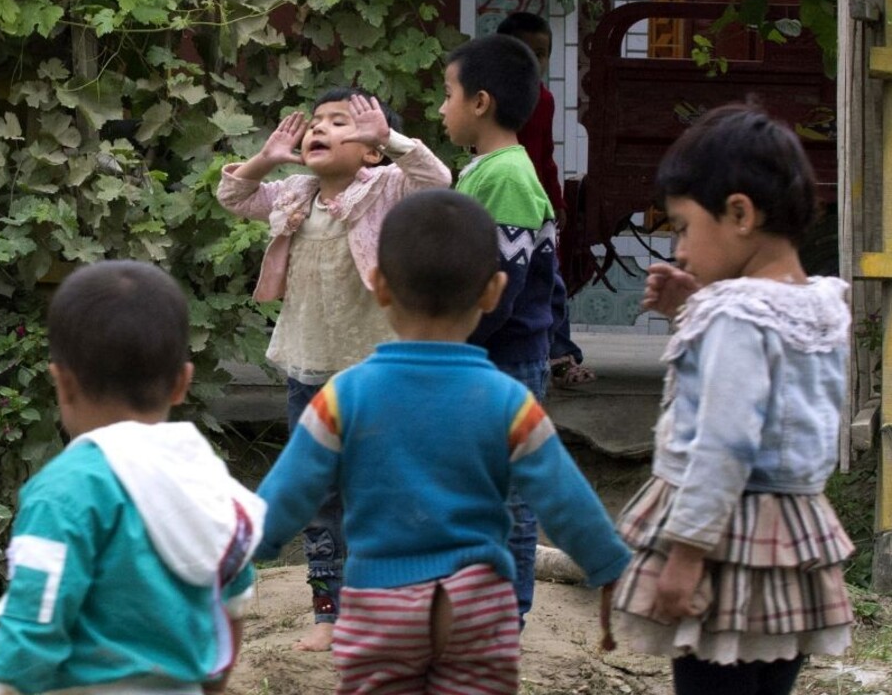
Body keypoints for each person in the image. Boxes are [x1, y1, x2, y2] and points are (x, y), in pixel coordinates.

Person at [254, 189, 630, 694]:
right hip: (478, 606)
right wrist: (610, 565)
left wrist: (245, 549)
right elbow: (565, 499)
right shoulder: (509, 402)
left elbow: (291, 491)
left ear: (379, 286)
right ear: (493, 292)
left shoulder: (343, 397)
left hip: (379, 603)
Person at [612, 104, 855, 695]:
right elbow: (765, 394)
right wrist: (692, 309)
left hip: (725, 547)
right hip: (791, 541)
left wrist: (687, 553)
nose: (680, 250)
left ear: (740, 214)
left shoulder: (735, 316)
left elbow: (726, 440)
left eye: (683, 227)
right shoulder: (819, 305)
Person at [217, 87, 451, 650]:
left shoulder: (386, 187)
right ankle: (329, 614)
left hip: (376, 374)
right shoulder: (295, 193)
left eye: (340, 122)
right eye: (316, 121)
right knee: (319, 494)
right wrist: (266, 157)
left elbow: (437, 180)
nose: (319, 128)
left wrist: (391, 140)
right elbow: (233, 194)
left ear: (370, 149)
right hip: (309, 369)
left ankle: (389, 605)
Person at [0, 260, 267, 695]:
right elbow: (232, 609)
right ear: (182, 382)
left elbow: (32, 630)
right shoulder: (209, 484)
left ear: (63, 383)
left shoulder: (65, 491)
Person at [440, 33, 564, 622]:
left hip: (504, 359)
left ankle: (506, 616)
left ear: (480, 102)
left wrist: (452, 346)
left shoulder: (507, 176)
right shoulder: (488, 170)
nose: (442, 108)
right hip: (492, 356)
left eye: (448, 94)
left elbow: (503, 290)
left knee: (509, 496)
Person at [495, 12, 596, 388]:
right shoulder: (488, 101)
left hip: (537, 208)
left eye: (541, 53)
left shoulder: (545, 99)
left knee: (549, 279)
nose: (534, 61)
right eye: (525, 52)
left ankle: (561, 354)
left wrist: (557, 203)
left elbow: (547, 157)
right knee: (514, 281)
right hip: (505, 204)